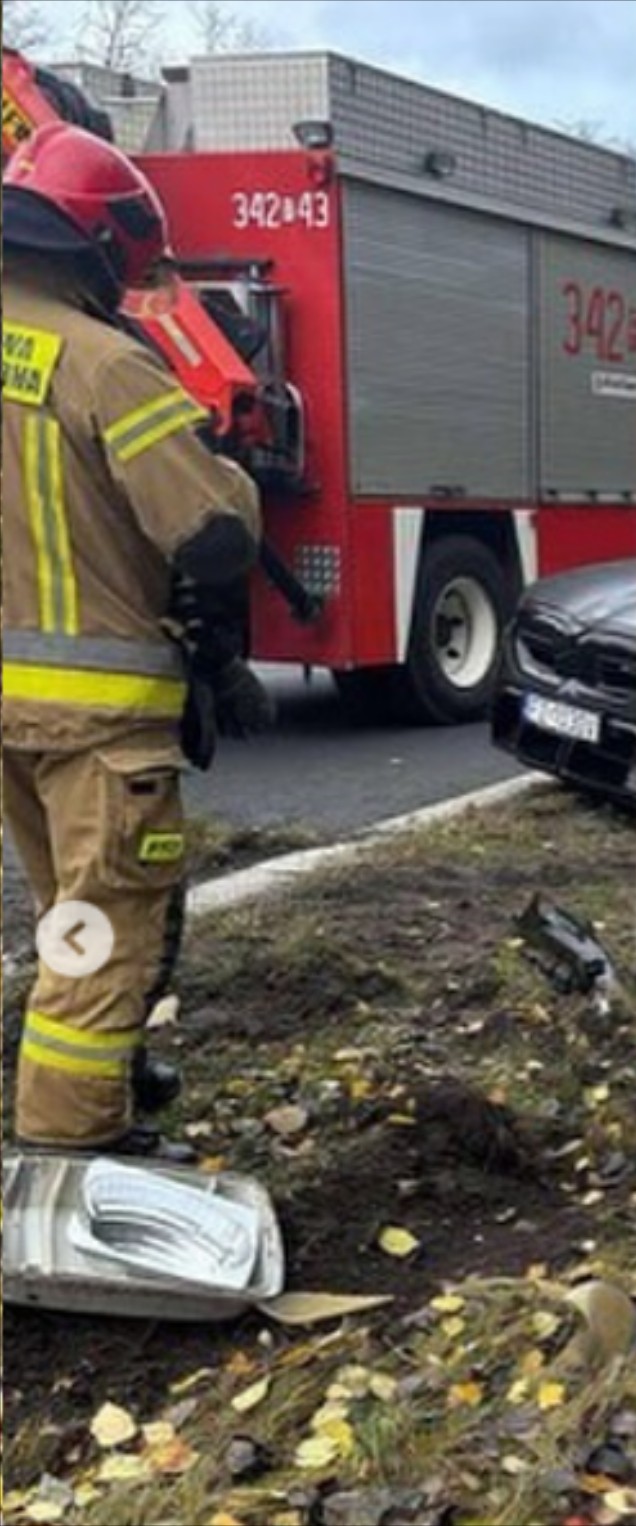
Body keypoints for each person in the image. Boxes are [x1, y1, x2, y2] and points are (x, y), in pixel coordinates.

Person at [3, 122, 270, 1154]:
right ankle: (69, 1143)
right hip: (98, 721)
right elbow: (210, 535)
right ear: (104, 243)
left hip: (13, 715)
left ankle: (95, 1078)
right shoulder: (107, 365)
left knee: (69, 911)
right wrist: (232, 477)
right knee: (107, 925)